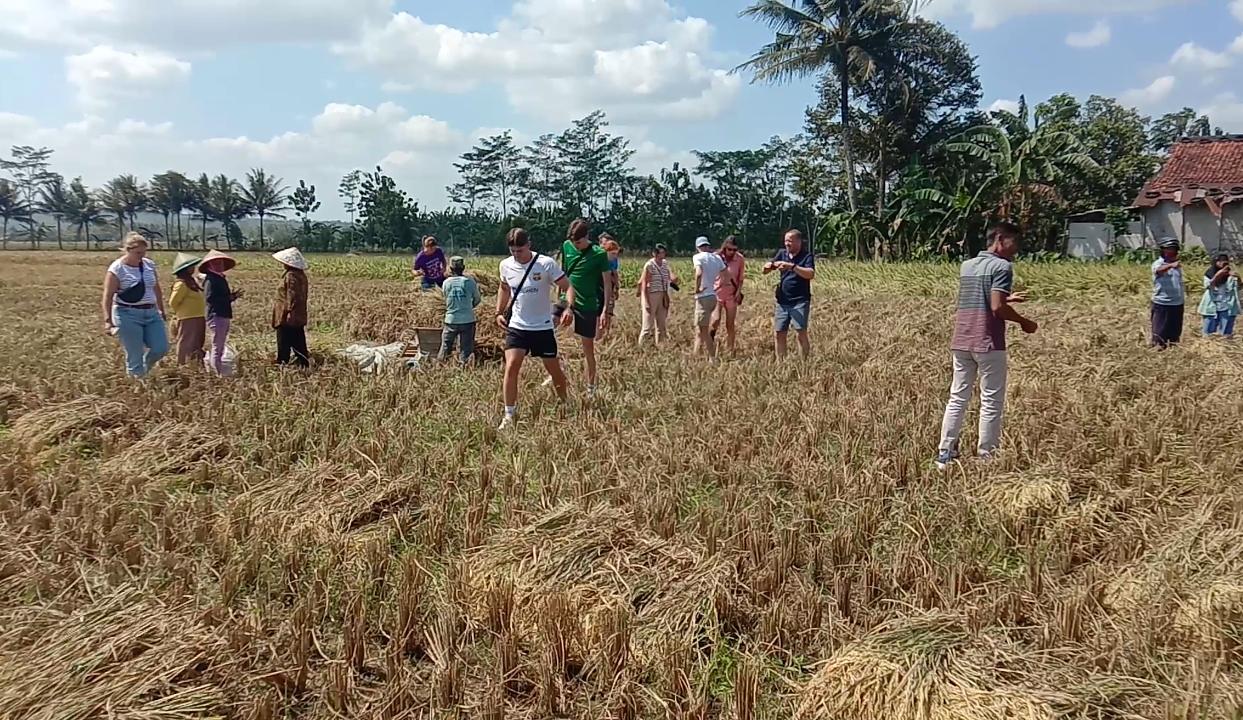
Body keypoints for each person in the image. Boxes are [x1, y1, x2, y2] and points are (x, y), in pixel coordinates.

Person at [935, 222, 1037, 470]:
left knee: (957, 397)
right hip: (988, 341)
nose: (1017, 248)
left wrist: (1007, 298)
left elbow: (980, 296)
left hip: (962, 339)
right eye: (1015, 241)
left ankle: (945, 455)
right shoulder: (1003, 266)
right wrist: (1024, 322)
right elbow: (996, 307)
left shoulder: (967, 266)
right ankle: (986, 456)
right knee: (991, 400)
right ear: (1000, 239)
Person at [496, 228, 571, 430]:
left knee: (553, 369)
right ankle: (509, 414)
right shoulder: (505, 265)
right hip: (518, 326)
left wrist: (564, 308)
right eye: (513, 251)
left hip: (542, 326)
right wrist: (499, 312)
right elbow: (504, 288)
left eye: (520, 250)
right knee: (511, 367)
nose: (516, 255)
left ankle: (565, 402)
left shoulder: (545, 264)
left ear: (528, 245)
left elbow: (567, 287)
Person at [556, 218, 613, 397]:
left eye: (579, 242)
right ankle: (556, 373)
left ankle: (591, 387)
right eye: (574, 243)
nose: (576, 246)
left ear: (587, 237)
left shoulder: (599, 254)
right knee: (547, 332)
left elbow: (607, 283)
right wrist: (559, 298)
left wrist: (606, 310)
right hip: (566, 300)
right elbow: (563, 272)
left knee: (587, 348)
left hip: (587, 304)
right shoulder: (566, 246)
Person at [101, 232, 168, 377]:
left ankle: (144, 368)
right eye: (138, 253)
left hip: (151, 312)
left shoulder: (149, 264)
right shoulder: (117, 269)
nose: (141, 256)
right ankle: (138, 384)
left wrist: (161, 309)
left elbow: (156, 288)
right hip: (127, 314)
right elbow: (107, 296)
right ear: (128, 250)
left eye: (144, 252)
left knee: (160, 348)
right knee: (134, 353)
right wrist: (108, 321)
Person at [762, 229, 816, 360]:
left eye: (790, 241)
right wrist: (769, 266)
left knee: (800, 332)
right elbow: (765, 270)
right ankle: (781, 362)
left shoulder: (806, 256)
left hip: (800, 300)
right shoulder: (782, 253)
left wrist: (792, 267)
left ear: (798, 242)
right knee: (779, 332)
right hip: (782, 300)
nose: (787, 244)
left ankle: (804, 362)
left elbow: (810, 274)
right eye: (785, 241)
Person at [200, 249, 242, 376]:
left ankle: (217, 370)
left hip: (221, 314)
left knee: (220, 344)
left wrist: (231, 297)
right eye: (216, 263)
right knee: (218, 345)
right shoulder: (211, 280)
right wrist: (228, 298)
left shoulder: (218, 278)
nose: (219, 265)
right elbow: (210, 298)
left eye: (221, 262)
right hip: (217, 315)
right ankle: (217, 373)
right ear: (209, 265)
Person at [271, 247, 310, 368]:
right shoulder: (301, 275)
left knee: (284, 339)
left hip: (288, 314)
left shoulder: (291, 276)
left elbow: (292, 296)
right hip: (298, 313)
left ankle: (283, 362)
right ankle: (303, 361)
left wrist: (287, 313)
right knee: (298, 338)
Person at [439, 255, 481, 364]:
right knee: (466, 348)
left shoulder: (446, 283)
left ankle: (441, 367)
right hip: (467, 320)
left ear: (451, 269)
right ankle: (464, 367)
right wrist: (468, 307)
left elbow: (445, 298)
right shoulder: (470, 282)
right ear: (463, 267)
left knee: (445, 347)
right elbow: (477, 299)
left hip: (451, 320)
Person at [168, 252, 206, 366]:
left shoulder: (191, 282)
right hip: (187, 317)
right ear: (185, 269)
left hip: (198, 316)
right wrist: (179, 314)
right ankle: (182, 365)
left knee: (197, 342)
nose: (194, 269)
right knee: (186, 342)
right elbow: (173, 302)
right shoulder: (181, 284)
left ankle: (195, 364)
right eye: (191, 267)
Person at [692, 236, 726, 361]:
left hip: (703, 297)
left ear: (697, 247)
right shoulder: (716, 258)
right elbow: (726, 276)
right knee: (700, 329)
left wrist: (697, 289)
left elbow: (699, 273)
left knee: (704, 330)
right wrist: (716, 287)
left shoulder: (698, 257)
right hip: (713, 296)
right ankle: (695, 356)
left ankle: (712, 357)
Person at [637, 244, 677, 347]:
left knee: (661, 324)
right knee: (647, 325)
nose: (662, 254)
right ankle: (642, 347)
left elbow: (670, 276)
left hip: (663, 294)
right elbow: (645, 283)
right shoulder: (649, 265)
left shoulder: (664, 264)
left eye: (663, 252)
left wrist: (673, 279)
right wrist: (646, 302)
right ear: (655, 254)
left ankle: (661, 345)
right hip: (652, 294)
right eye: (660, 252)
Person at [711, 235, 745, 354]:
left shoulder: (740, 259)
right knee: (715, 320)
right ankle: (710, 343)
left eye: (734, 250)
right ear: (724, 247)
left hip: (732, 294)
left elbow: (741, 278)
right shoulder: (716, 257)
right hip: (717, 292)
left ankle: (730, 349)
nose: (732, 252)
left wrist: (738, 291)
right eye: (729, 249)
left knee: (730, 324)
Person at [1150, 237, 1185, 348]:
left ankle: (1172, 350)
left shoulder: (1177, 265)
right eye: (1169, 249)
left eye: (1174, 249)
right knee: (1160, 332)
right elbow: (1158, 271)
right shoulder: (1158, 263)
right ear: (1163, 250)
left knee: (1174, 332)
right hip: (1162, 302)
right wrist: (1170, 266)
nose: (1172, 251)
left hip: (1177, 303)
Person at [1199, 253, 1240, 338]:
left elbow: (1238, 288)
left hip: (1227, 306)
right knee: (1208, 333)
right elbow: (1208, 286)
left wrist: (1238, 278)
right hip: (1211, 306)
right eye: (1221, 262)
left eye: (1225, 263)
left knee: (1225, 333)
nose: (1223, 265)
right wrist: (1218, 275)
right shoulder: (1209, 273)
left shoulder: (1230, 275)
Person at [601, 235, 623, 317]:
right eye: (613, 253)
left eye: (616, 254)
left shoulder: (614, 261)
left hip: (610, 285)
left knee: (609, 310)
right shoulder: (601, 261)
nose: (615, 256)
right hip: (601, 287)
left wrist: (617, 287)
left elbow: (615, 273)